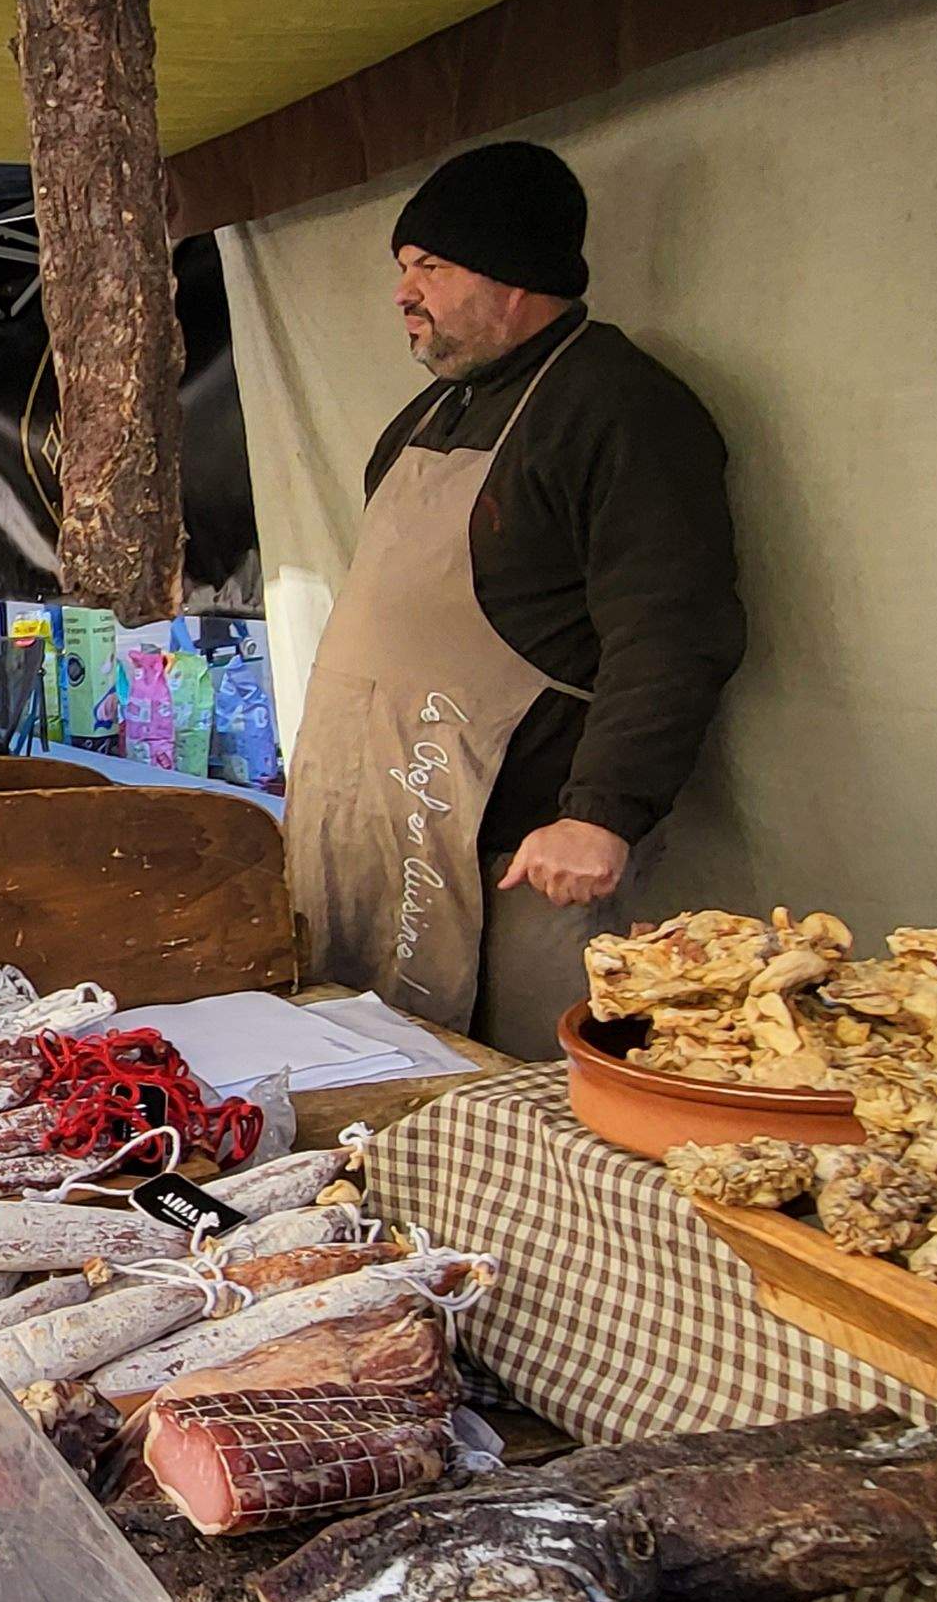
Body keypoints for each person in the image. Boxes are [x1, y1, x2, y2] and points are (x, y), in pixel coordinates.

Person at [288, 141, 746, 1045]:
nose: (403, 292)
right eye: (403, 267)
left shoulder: (621, 409)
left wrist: (601, 815)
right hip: (381, 840)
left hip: (524, 862)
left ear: (514, 277)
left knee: (527, 1098)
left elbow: (670, 627)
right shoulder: (423, 416)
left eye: (431, 266)